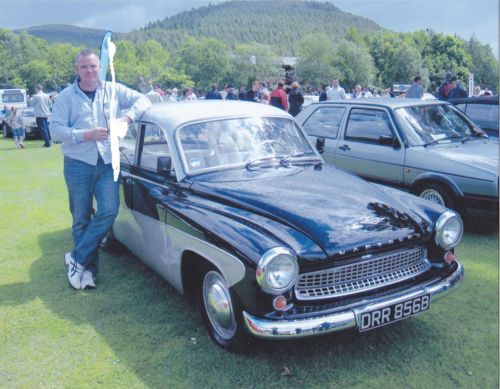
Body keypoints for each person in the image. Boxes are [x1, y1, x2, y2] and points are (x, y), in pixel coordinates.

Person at [51, 48, 151, 290]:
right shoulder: (66, 97)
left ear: (100, 68)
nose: (89, 71)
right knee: (81, 217)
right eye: (84, 67)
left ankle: (76, 257)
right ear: (77, 70)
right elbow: (55, 131)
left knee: (109, 210)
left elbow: (144, 99)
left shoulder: (112, 89)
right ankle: (87, 272)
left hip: (107, 162)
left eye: (93, 66)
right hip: (78, 164)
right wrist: (85, 134)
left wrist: (125, 119)